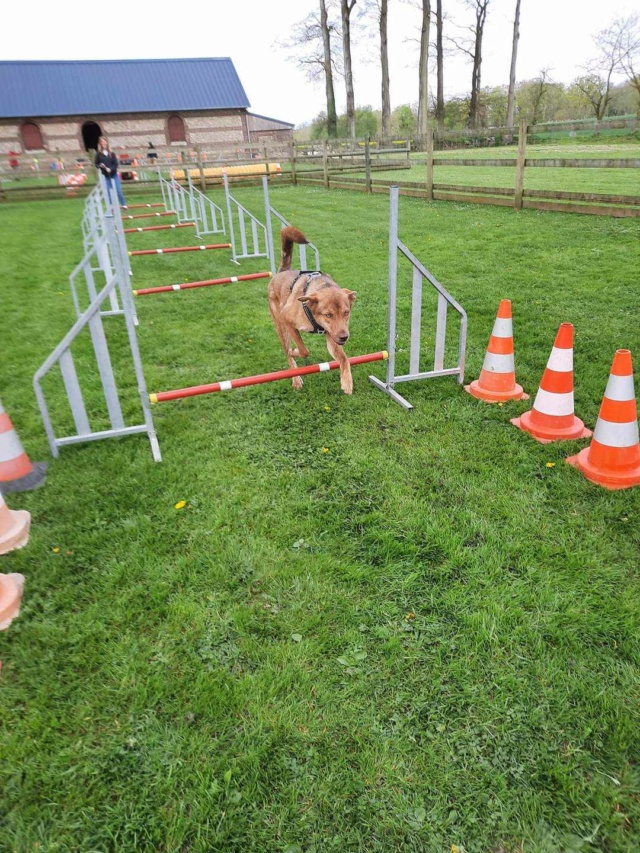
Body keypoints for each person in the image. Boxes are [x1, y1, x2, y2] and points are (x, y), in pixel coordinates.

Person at [95, 136, 127, 208]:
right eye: (102, 142)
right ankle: (111, 207)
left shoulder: (111, 153)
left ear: (107, 143)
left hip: (114, 174)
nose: (103, 143)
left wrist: (110, 169)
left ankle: (123, 205)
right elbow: (96, 164)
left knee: (118, 191)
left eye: (104, 141)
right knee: (109, 192)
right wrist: (100, 165)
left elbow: (115, 164)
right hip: (106, 176)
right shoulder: (98, 154)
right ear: (100, 144)